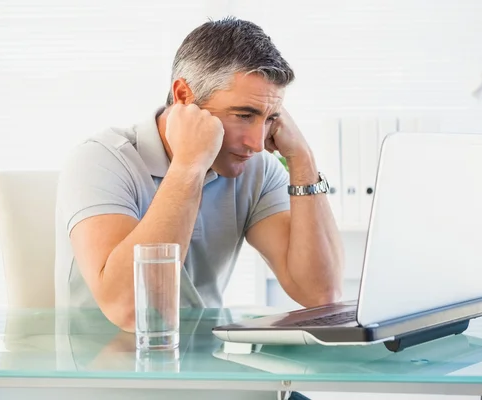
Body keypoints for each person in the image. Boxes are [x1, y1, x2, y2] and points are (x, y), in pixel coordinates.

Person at [54, 16, 344, 332]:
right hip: (102, 370)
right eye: (244, 115)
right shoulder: (100, 160)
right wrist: (189, 165)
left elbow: (321, 294)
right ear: (183, 96)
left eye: (270, 118)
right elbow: (131, 310)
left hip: (205, 364)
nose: (258, 143)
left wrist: (302, 161)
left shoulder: (256, 169)